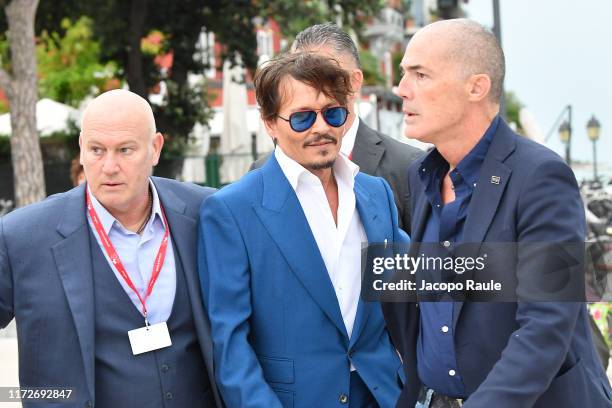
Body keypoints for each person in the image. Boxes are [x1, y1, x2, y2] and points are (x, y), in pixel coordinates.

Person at [382, 19, 612, 408]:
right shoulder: (420, 175)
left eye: (419, 74)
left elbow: (545, 326)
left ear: (477, 87)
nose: (402, 89)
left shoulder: (541, 176)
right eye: (405, 74)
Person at [198, 52, 405, 408]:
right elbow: (230, 344)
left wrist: (520, 270)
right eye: (302, 118)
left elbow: (417, 280)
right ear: (269, 123)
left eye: (333, 113)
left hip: (383, 395)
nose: (320, 127)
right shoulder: (231, 210)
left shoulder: (375, 193)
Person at [0, 89, 222, 408]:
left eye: (125, 150)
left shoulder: (206, 212)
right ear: (81, 148)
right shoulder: (22, 236)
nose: (109, 166)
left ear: (155, 148)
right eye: (96, 150)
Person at [251, 22, 423, 233]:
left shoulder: (408, 165)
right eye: (299, 73)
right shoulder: (261, 171)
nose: (310, 86)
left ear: (354, 81)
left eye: (326, 74)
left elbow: (423, 259)